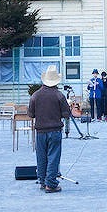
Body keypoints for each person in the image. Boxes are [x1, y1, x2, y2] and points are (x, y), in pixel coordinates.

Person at [28, 65, 72, 193]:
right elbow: (66, 114)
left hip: (40, 131)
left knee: (41, 156)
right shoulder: (59, 95)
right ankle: (51, 184)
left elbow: (31, 114)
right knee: (53, 157)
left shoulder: (35, 95)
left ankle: (42, 181)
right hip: (55, 131)